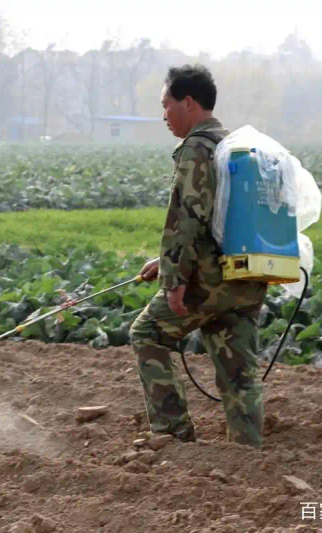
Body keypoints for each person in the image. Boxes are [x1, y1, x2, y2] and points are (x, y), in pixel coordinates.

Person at [129, 64, 268, 449]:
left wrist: (174, 278)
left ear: (188, 103)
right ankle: (247, 450)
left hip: (207, 281)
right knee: (239, 371)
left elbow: (188, 216)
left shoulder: (196, 148)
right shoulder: (232, 146)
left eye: (166, 104)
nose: (163, 115)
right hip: (246, 277)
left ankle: (173, 435)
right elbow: (217, 221)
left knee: (147, 333)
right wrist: (167, 262)